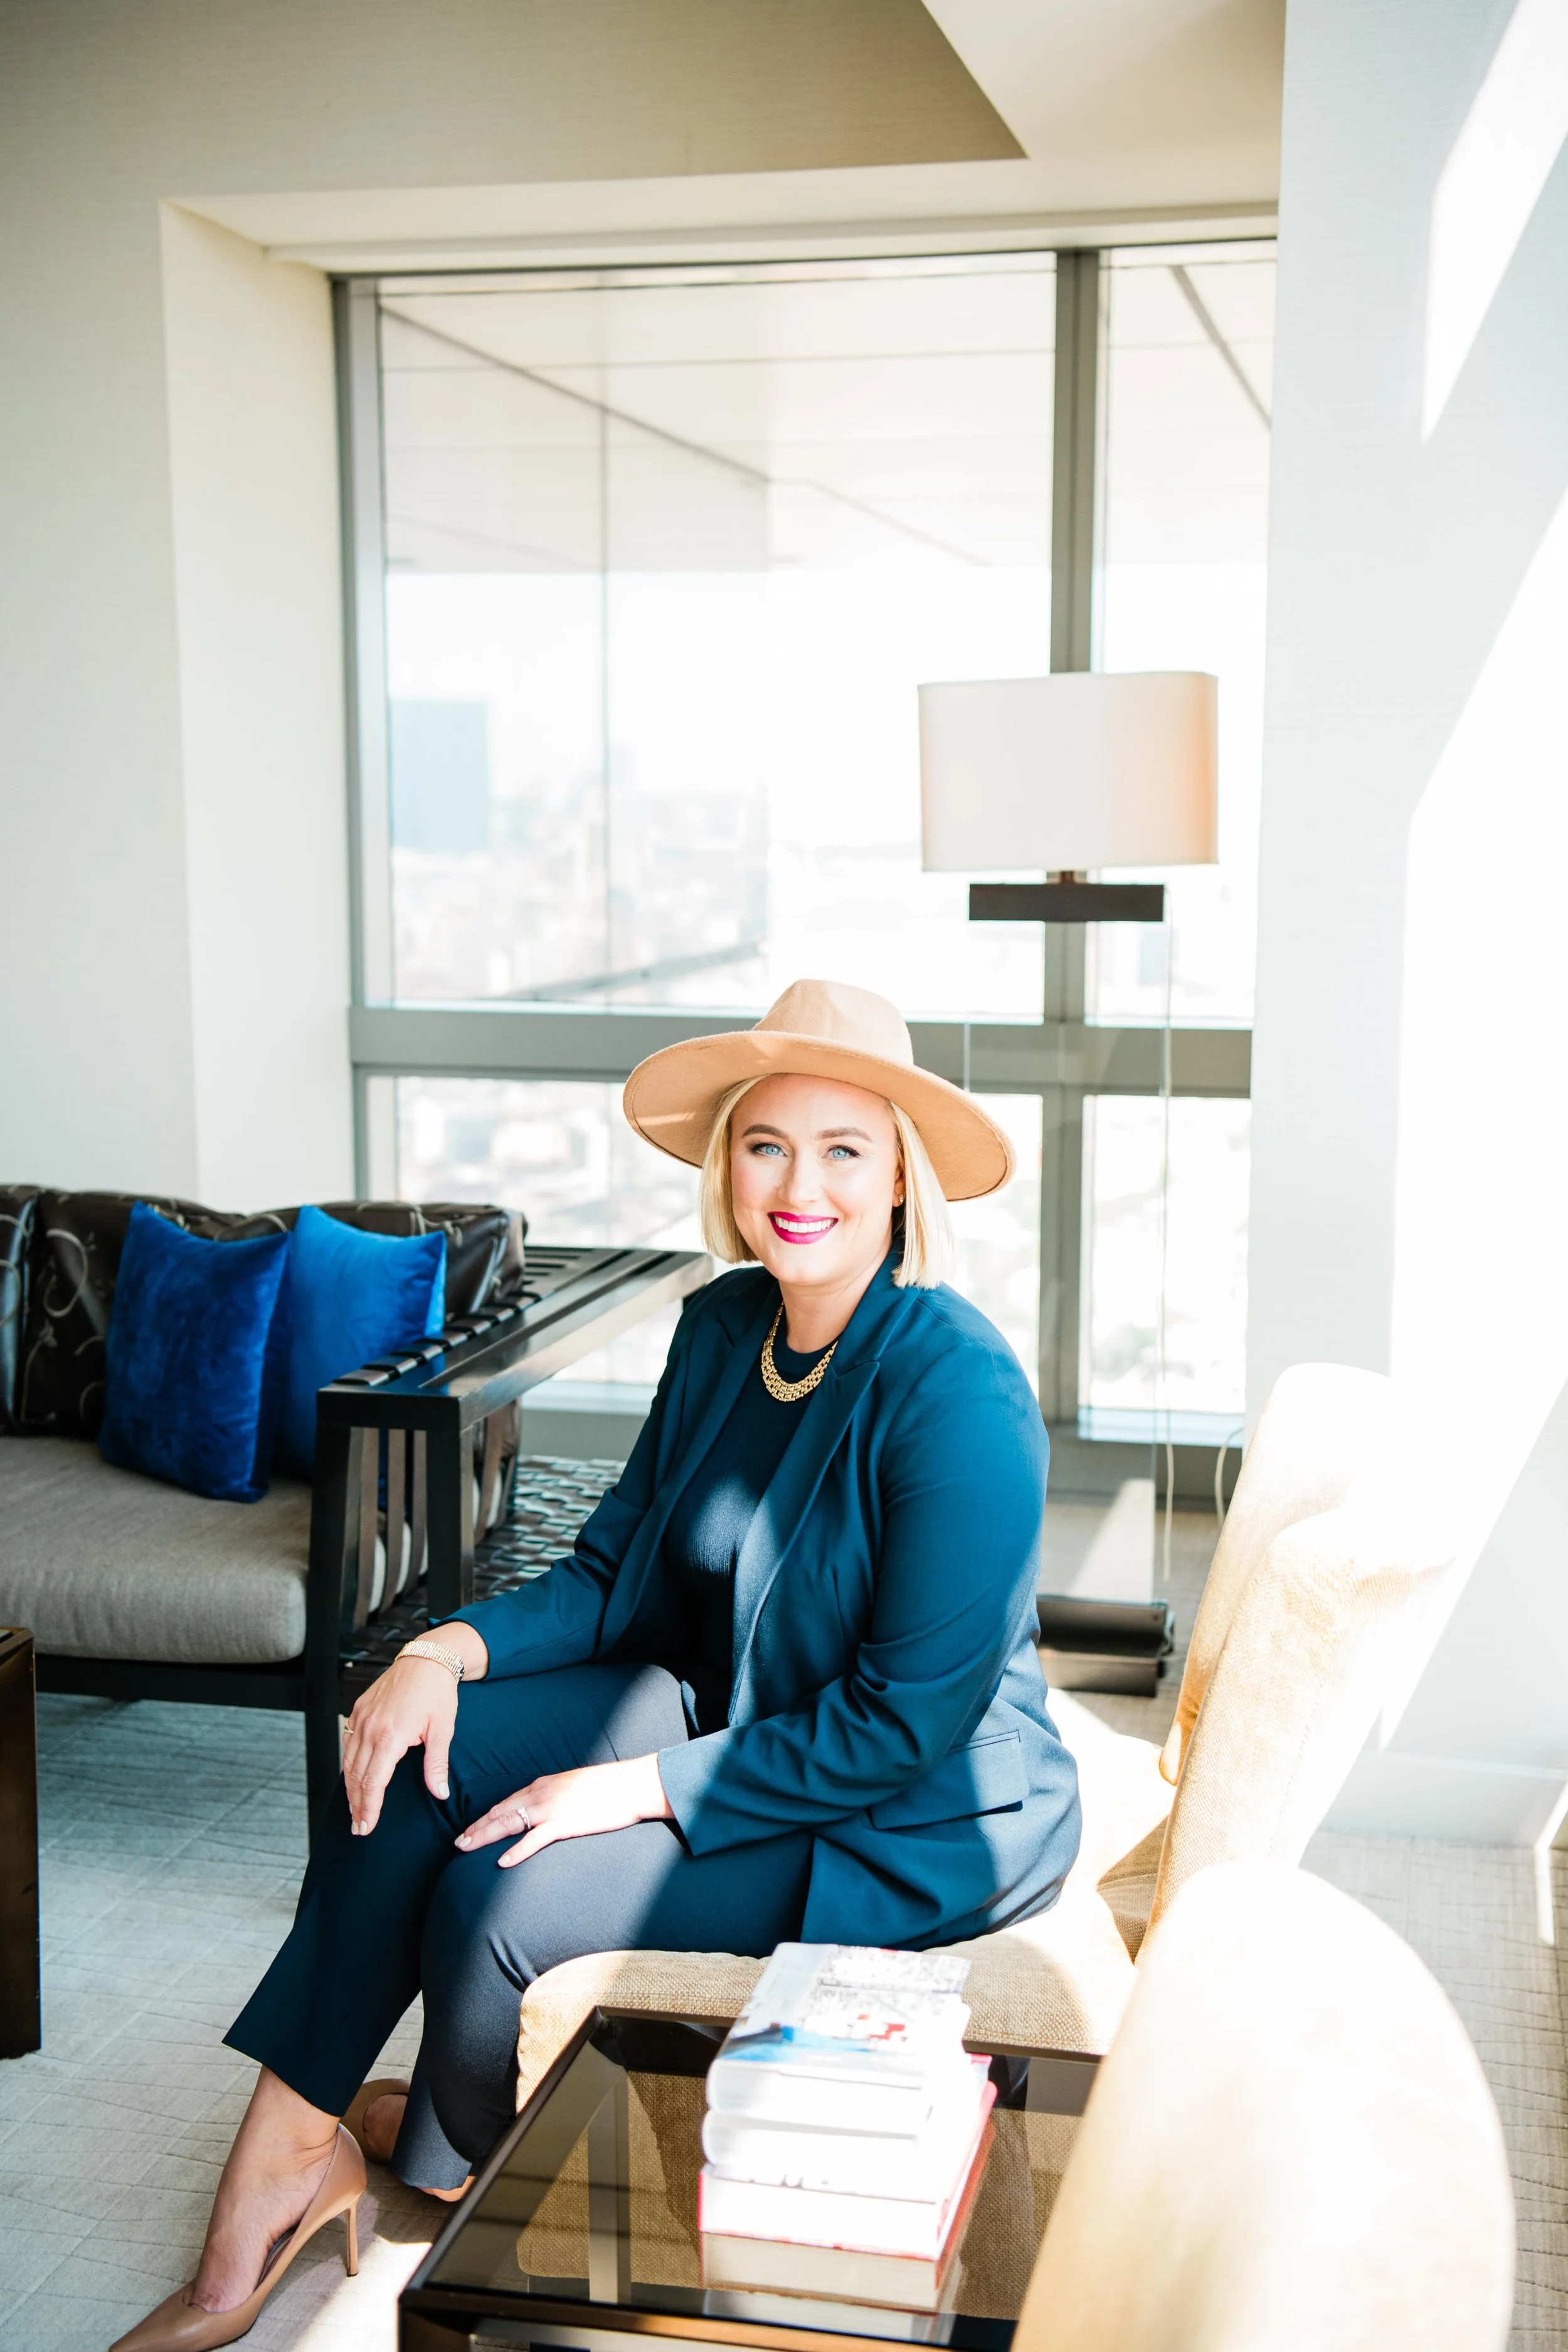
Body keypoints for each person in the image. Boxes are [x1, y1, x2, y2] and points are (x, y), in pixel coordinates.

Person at [113, 978, 1081, 2351]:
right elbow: (612, 1574)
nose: (798, 1186)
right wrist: (441, 1649)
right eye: (766, 1145)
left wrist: (626, 1790)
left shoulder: (957, 1389)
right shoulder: (726, 1326)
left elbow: (900, 1723)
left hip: (903, 1807)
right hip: (725, 1700)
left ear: (900, 1177)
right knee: (400, 1752)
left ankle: (465, 2171)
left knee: (497, 1901)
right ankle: (291, 2155)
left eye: (842, 1149)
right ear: (728, 1164)